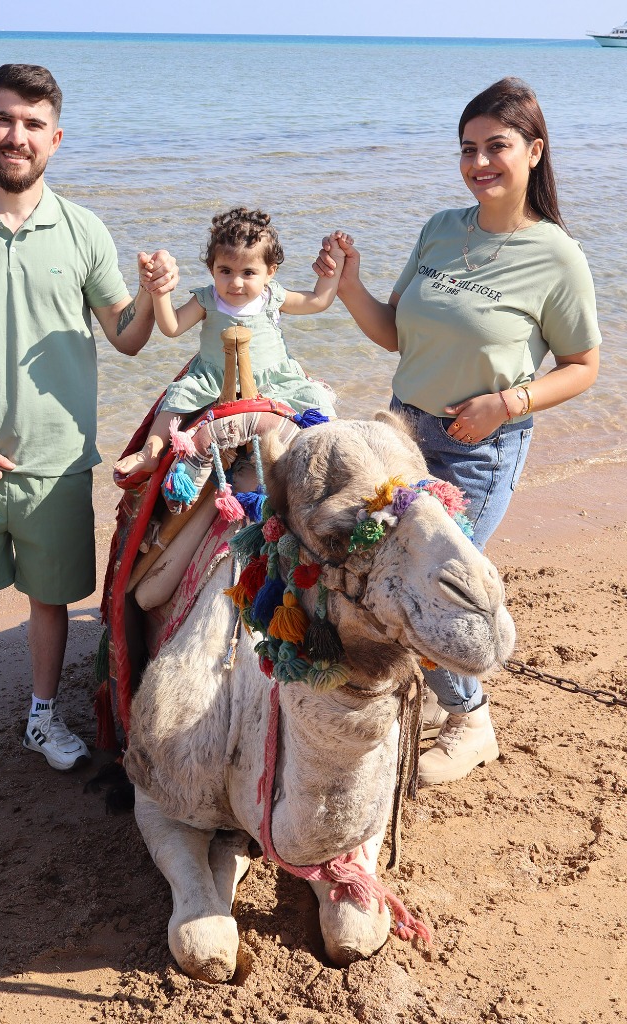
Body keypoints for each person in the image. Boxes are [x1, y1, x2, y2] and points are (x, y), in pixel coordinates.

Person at [0, 64, 177, 803]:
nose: (15, 135)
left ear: (55, 138)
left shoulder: (83, 229)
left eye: (31, 124)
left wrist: (153, 299)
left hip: (57, 463)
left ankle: (43, 718)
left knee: (48, 602)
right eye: (2, 119)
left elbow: (125, 336)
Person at [314, 77, 601, 786]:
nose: (479, 163)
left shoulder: (556, 255)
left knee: (431, 589)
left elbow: (584, 365)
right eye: (468, 149)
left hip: (479, 448)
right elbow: (392, 334)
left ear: (534, 151)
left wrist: (507, 404)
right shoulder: (442, 228)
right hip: (401, 435)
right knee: (375, 576)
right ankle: (404, 698)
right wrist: (349, 285)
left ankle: (470, 723)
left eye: (496, 147)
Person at [113, 208, 347, 478]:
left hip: (273, 377)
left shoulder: (273, 297)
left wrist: (335, 261)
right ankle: (150, 453)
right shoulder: (207, 300)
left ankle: (335, 452)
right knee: (177, 397)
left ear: (270, 272)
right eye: (225, 270)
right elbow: (172, 327)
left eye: (248, 272)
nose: (235, 282)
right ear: (211, 268)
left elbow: (319, 300)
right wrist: (160, 293)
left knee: (315, 397)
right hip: (212, 376)